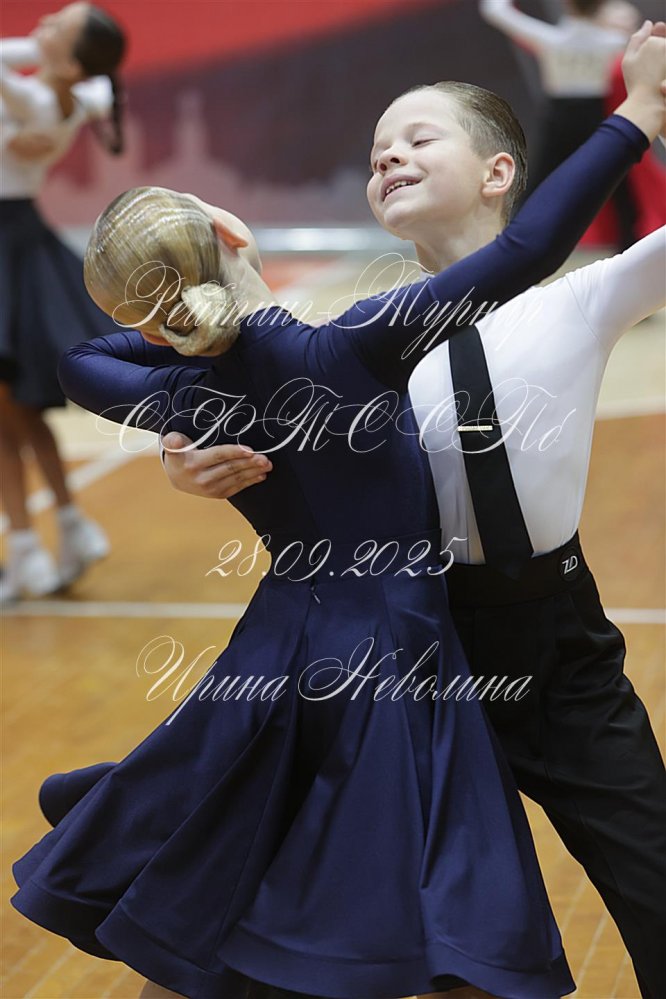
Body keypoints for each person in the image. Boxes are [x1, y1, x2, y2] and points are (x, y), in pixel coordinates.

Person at [10, 26, 665, 996]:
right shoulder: (353, 340)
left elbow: (97, 366)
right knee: (375, 920)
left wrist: (645, 108)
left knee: (643, 880)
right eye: (375, 152)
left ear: (499, 172)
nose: (388, 155)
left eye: (417, 138)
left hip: (538, 644)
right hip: (410, 651)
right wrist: (184, 453)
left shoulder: (578, 299)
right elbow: (282, 431)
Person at [0, 3, 126, 604]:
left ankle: (28, 550)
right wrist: (53, 54)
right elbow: (98, 84)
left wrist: (36, 53)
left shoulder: (39, 100)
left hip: (7, 242)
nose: (42, 24)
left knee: (9, 413)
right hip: (19, 239)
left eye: (56, 25)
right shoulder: (81, 95)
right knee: (21, 411)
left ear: (72, 62)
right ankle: (67, 529)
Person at [479, 0, 651, 246]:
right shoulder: (614, 42)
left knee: (538, 182)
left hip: (560, 119)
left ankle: (508, 243)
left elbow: (495, 10)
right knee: (617, 182)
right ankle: (631, 244)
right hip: (597, 117)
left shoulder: (550, 39)